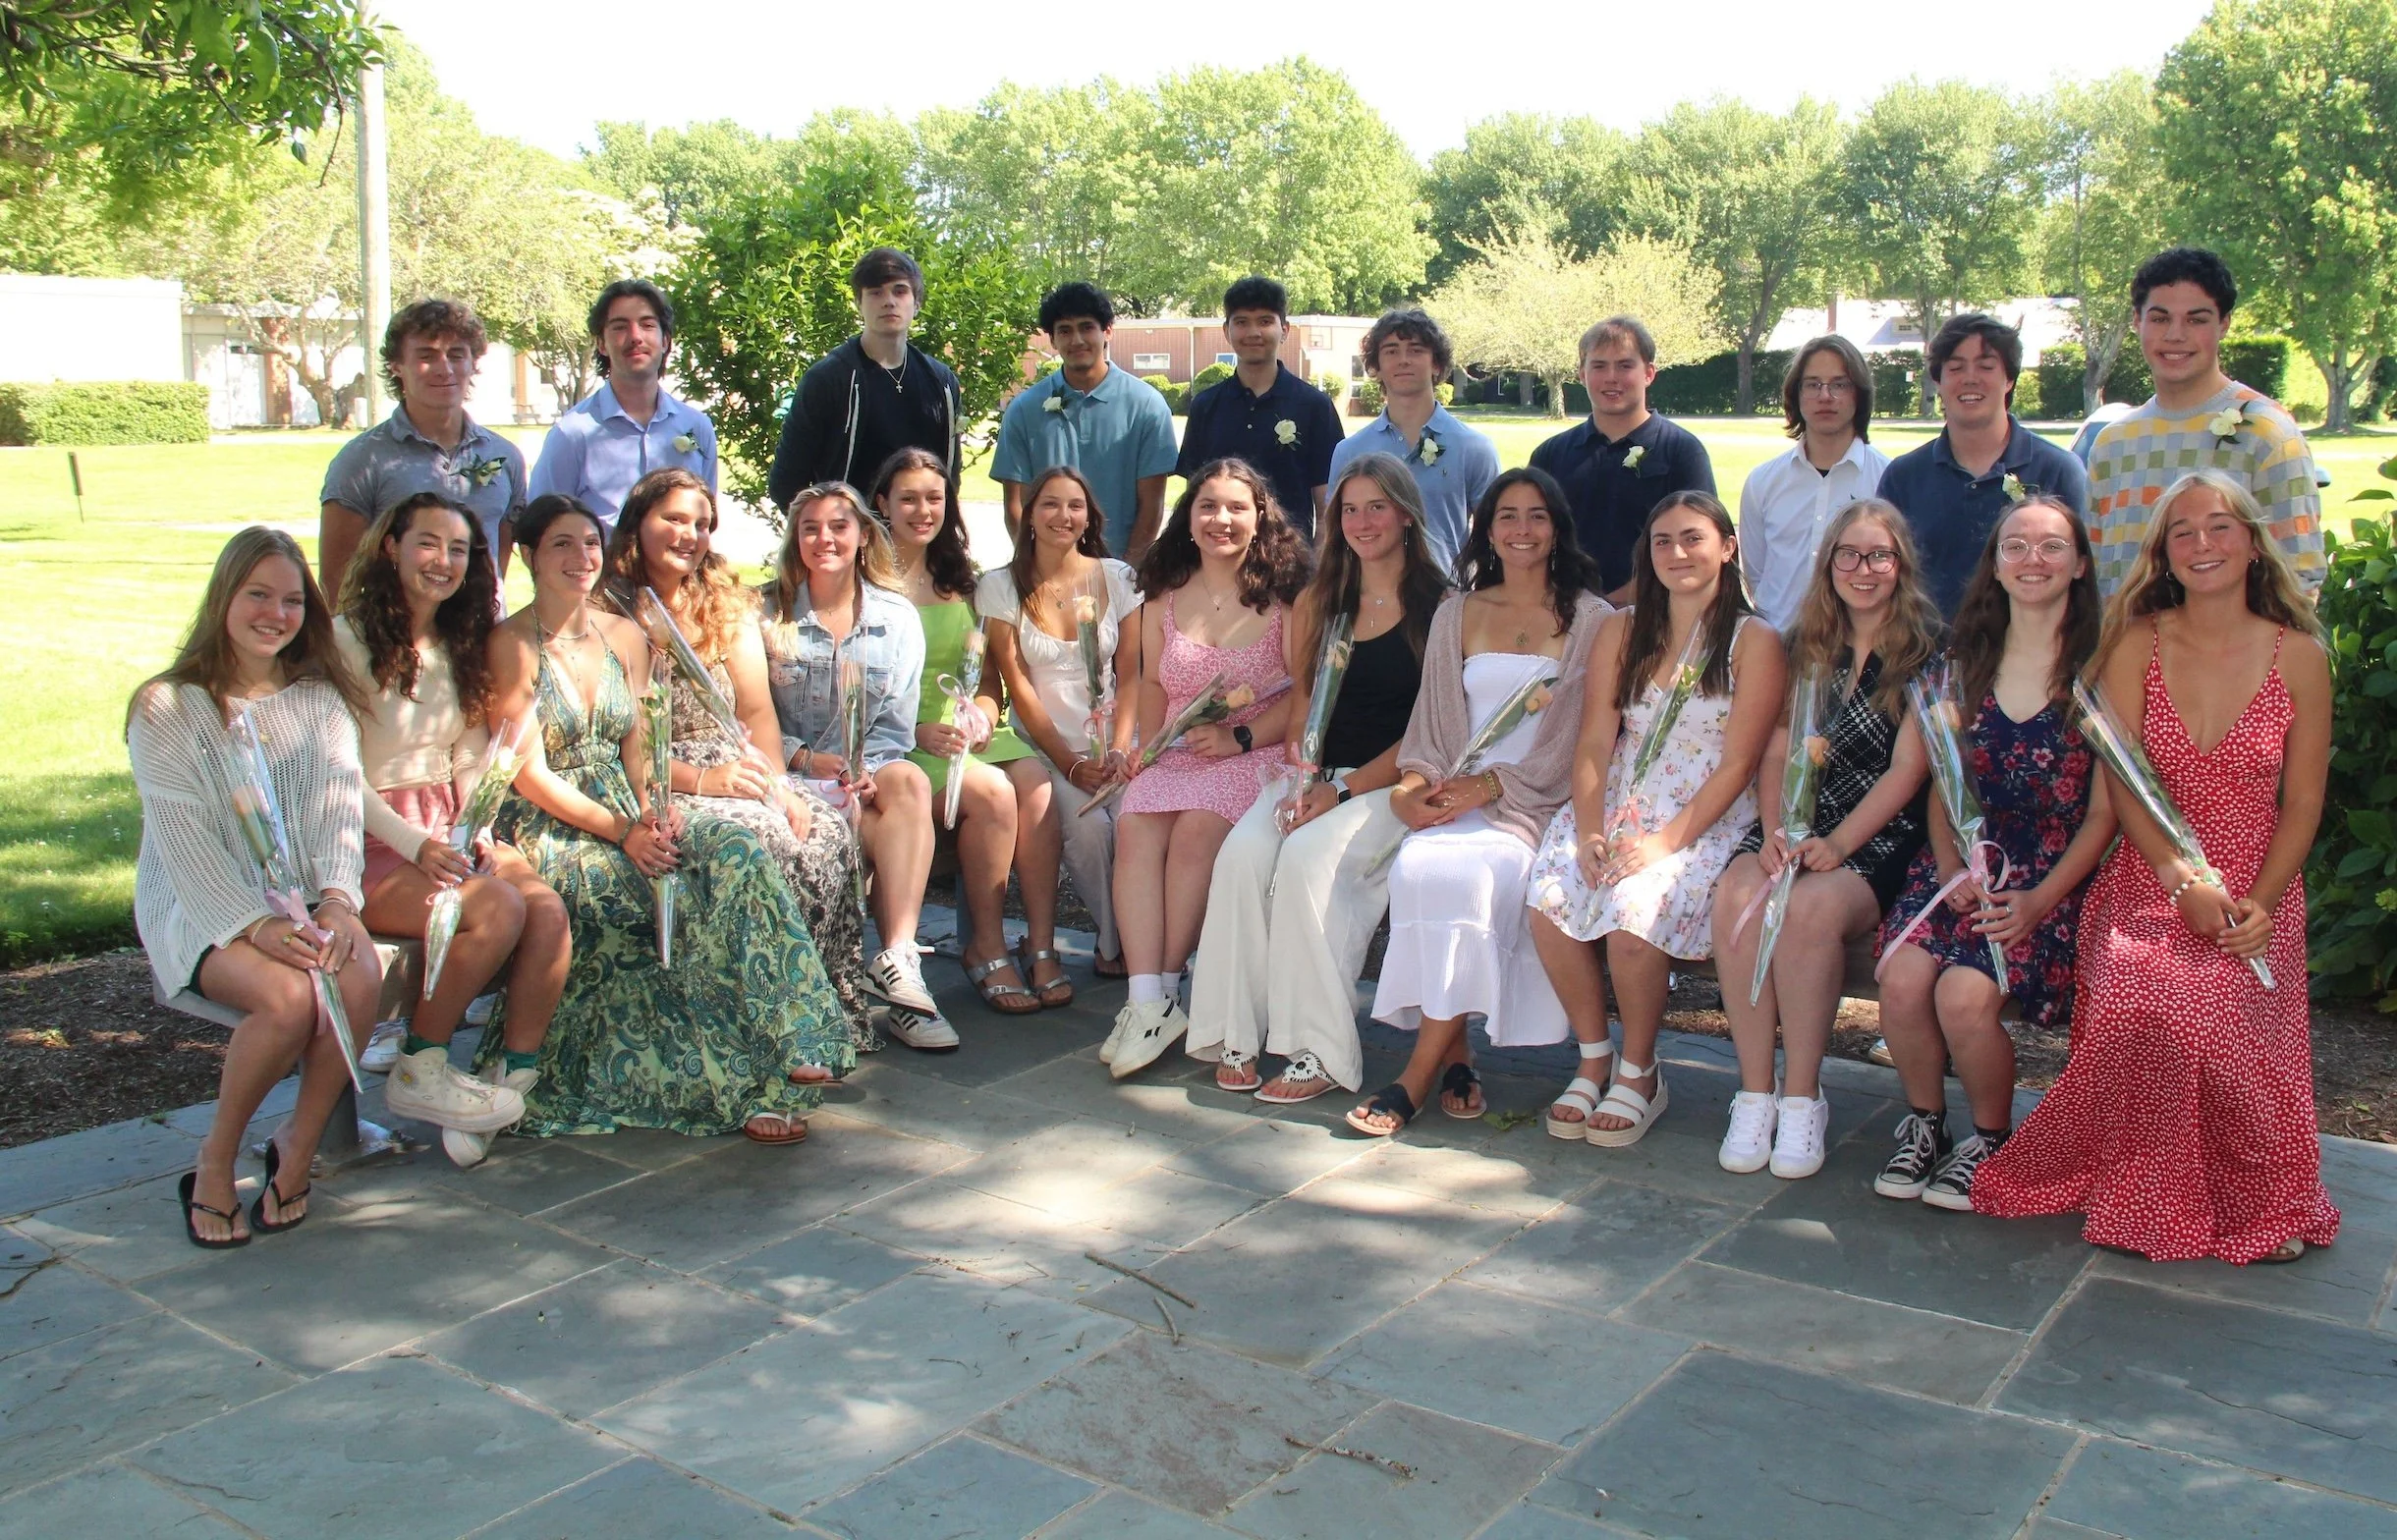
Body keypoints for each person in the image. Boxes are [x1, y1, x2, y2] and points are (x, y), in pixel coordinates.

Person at [1976, 471, 2340, 1264]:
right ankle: (2153, 1192)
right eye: (2183, 532)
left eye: (2219, 527)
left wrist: (2262, 903)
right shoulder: (2136, 641)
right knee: (2155, 1001)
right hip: (2150, 877)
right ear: (2163, 553)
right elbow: (2121, 785)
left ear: (2251, 541)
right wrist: (2182, 880)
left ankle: (2252, 1195)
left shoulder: (2302, 657)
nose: (2202, 544)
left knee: (2222, 1000)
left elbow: (2303, 804)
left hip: (2257, 883)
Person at [483, 495, 843, 1144]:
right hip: (551, 820)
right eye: (561, 544)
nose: (579, 557)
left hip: (629, 807)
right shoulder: (509, 646)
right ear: (527, 555)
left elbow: (642, 750)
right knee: (640, 889)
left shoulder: (623, 636)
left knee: (732, 847)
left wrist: (657, 814)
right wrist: (625, 834)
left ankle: (795, 1035)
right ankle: (728, 1074)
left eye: (588, 544)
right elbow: (526, 775)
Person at [128, 527, 384, 1247]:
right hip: (201, 902)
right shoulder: (168, 708)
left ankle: (296, 1147)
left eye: (293, 600)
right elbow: (182, 841)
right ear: (225, 598)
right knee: (285, 996)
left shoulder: (320, 702)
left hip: (306, 893)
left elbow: (338, 811)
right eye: (259, 595)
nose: (276, 613)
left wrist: (337, 902)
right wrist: (255, 927)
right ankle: (214, 1162)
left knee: (358, 972)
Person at [1349, 468, 1611, 1136]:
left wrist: (1495, 787)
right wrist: (1411, 791)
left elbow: (1582, 737)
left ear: (1557, 528)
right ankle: (1457, 1055)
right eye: (1507, 517)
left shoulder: (1591, 619)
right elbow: (1433, 725)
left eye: (1536, 516)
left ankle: (1416, 1074)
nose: (1522, 531)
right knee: (1417, 866)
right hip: (1451, 793)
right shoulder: (1457, 611)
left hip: (1537, 803)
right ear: (1487, 530)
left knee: (1472, 876)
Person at [1872, 497, 2116, 1208]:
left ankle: (1989, 1136)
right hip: (1957, 863)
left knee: (1966, 994)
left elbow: (2104, 814)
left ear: (2079, 565)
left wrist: (2039, 900)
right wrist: (1950, 871)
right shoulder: (1961, 663)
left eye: (2051, 546)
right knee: (1906, 981)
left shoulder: (2100, 668)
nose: (2032, 560)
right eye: (2016, 546)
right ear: (1996, 566)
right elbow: (1943, 790)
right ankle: (1924, 1125)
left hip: (2050, 876)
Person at [1185, 453, 1450, 1103]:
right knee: (1244, 856)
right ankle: (1232, 1032)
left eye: (1377, 507)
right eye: (1350, 509)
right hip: (1311, 774)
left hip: (1389, 785)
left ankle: (1318, 1051)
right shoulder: (1320, 598)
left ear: (1407, 514)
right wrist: (1303, 771)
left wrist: (1341, 790)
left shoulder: (1441, 607)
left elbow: (1427, 729)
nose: (1362, 521)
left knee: (1305, 862)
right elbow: (1305, 698)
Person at [1528, 491, 1784, 1146]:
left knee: (1634, 919)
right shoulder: (1622, 627)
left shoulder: (1754, 641)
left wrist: (1663, 843)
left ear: (1727, 547)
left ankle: (1640, 1070)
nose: (1678, 554)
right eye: (1663, 541)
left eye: (1694, 538)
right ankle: (1593, 1055)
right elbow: (1594, 740)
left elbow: (1739, 764)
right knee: (1550, 896)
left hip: (1702, 813)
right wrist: (1589, 829)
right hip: (1619, 797)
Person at [600, 468, 871, 1062]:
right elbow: (627, 740)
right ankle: (756, 1027)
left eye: (700, 523)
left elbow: (756, 711)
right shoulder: (607, 614)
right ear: (638, 524)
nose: (688, 534)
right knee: (757, 842)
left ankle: (826, 1014)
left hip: (738, 761)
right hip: (658, 775)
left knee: (822, 831)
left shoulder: (723, 605)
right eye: (673, 519)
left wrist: (781, 786)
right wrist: (706, 782)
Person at [334, 494, 568, 1168]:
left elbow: (470, 753)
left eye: (459, 549)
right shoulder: (347, 640)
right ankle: (422, 1065)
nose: (444, 561)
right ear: (391, 547)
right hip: (372, 837)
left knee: (547, 911)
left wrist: (476, 826)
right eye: (428, 543)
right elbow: (337, 771)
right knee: (496, 907)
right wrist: (419, 846)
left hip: (451, 826)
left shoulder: (459, 641)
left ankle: (509, 1086)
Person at [1709, 499, 1934, 1179]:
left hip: (1882, 833)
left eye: (1878, 556)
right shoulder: (1804, 642)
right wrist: (1778, 828)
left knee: (1807, 911)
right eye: (1849, 555)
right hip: (1798, 817)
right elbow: (1777, 748)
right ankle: (1754, 1092)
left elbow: (1909, 769)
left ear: (1900, 564)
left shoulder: (1928, 649)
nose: (1863, 570)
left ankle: (1804, 1096)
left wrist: (1837, 846)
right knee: (1736, 893)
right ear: (1828, 562)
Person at [1102, 458, 1309, 1078]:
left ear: (1260, 518)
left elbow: (1304, 693)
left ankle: (1161, 991)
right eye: (1208, 507)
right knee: (1135, 825)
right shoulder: (1162, 596)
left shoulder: (1286, 599)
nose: (1222, 519)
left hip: (1258, 750)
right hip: (1180, 749)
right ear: (1188, 519)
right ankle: (1148, 998)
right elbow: (1149, 680)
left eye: (1236, 508)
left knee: (1195, 832)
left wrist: (1242, 737)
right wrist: (1145, 743)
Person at [759, 482, 952, 1051]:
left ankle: (897, 959)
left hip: (866, 773)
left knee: (909, 780)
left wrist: (864, 770)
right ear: (795, 539)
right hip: (787, 774)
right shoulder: (766, 613)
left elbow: (896, 725)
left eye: (839, 526)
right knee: (866, 824)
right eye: (811, 527)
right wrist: (808, 761)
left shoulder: (895, 618)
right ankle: (891, 1001)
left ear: (863, 535)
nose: (825, 539)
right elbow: (751, 716)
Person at [874, 448, 1041, 1012]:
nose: (923, 510)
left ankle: (1040, 945)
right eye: (909, 498)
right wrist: (919, 730)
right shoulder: (865, 582)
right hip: (900, 736)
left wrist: (986, 717)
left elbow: (989, 677)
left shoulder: (962, 581)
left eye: (934, 498)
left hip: (966, 727)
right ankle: (986, 947)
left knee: (1035, 784)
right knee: (994, 793)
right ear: (882, 504)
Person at [977, 466, 1139, 989]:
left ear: (1089, 516)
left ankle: (1131, 941)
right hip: (1048, 748)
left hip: (1119, 741)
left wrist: (1117, 749)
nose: (1062, 516)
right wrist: (1070, 764)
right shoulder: (1001, 586)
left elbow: (1134, 672)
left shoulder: (1117, 577)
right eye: (1049, 504)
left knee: (1137, 823)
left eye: (1075, 505)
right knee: (1090, 833)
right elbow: (1016, 684)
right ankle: (1121, 944)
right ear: (1028, 514)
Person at [2087, 248, 2323, 599]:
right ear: (2137, 321)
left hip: (2234, 653)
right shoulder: (2112, 443)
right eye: (2160, 318)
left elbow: (2299, 575)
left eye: (2196, 319)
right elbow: (2097, 574)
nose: (2176, 335)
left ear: (2224, 323)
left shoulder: (2266, 432)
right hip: (2124, 650)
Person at [1876, 313, 2089, 616]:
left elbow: (2084, 582)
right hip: (1926, 658)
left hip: (2033, 657)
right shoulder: (1903, 478)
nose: (1970, 377)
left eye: (1986, 366)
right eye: (1956, 367)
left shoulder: (2059, 471)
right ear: (1938, 381)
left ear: (2010, 379)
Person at [319, 298, 526, 592]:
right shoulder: (363, 460)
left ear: (473, 364)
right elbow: (336, 582)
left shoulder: (504, 457)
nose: (445, 369)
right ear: (397, 367)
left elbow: (498, 564)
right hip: (394, 633)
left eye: (457, 355)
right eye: (427, 356)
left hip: (483, 633)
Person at [1528, 315, 1716, 604]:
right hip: (1562, 616)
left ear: (1649, 373)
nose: (1611, 377)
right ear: (1581, 374)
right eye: (1599, 366)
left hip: (1653, 618)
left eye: (1625, 365)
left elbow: (1698, 548)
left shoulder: (1682, 452)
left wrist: (1609, 607)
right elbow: (1531, 539)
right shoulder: (1550, 455)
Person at [765, 248, 962, 511]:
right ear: (859, 303)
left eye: (900, 290)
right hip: (851, 539)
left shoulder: (941, 383)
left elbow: (949, 476)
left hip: (917, 538)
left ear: (917, 303)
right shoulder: (827, 380)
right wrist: (830, 533)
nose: (888, 301)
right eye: (875, 292)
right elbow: (786, 483)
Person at [992, 282, 1179, 559]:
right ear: (1052, 340)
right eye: (1065, 330)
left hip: (1119, 569)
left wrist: (1125, 576)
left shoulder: (1147, 406)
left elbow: (1152, 505)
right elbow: (1016, 506)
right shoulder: (1024, 409)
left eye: (1087, 327)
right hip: (1046, 572)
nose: (1076, 340)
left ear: (1108, 331)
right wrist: (1032, 569)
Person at [529, 278, 719, 537]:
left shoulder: (697, 428)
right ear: (601, 343)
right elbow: (540, 531)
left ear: (665, 340)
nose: (635, 337)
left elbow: (705, 522)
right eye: (620, 327)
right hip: (604, 576)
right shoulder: (572, 434)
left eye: (647, 325)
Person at [1326, 308, 1498, 573]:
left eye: (1416, 350)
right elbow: (1334, 539)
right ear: (1377, 367)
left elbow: (1495, 537)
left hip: (1447, 600)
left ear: (1437, 364)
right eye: (1391, 351)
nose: (1403, 360)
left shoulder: (1473, 448)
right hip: (1370, 602)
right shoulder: (1350, 452)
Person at [1739, 337, 1891, 630]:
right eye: (1812, 384)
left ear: (1858, 394)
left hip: (1858, 652)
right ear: (1796, 394)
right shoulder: (1763, 482)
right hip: (1777, 649)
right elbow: (1756, 576)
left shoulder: (1888, 479)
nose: (1825, 396)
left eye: (1839, 384)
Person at [1174, 275, 1345, 537]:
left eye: (1265, 321)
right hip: (1218, 558)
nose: (1253, 333)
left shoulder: (1314, 406)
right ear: (1226, 331)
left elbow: (1327, 510)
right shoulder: (1205, 406)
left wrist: (1318, 573)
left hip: (1291, 564)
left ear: (1284, 329)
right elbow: (1194, 500)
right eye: (1241, 322)